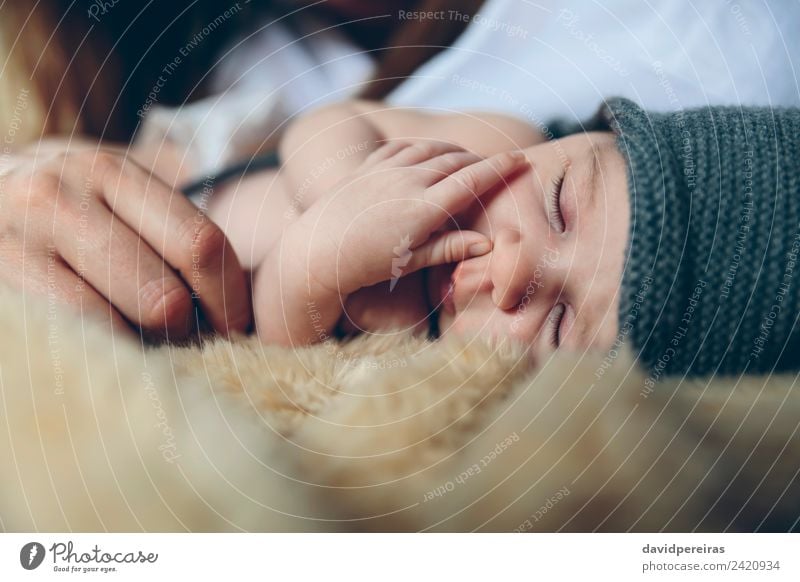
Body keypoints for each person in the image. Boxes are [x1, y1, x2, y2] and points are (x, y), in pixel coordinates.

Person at [205, 98, 800, 376]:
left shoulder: (414, 350)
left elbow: (277, 347)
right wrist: (349, 185)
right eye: (559, 205)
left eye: (562, 326)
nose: (518, 271)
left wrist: (316, 261)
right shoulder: (489, 145)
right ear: (582, 137)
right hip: (207, 177)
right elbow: (322, 121)